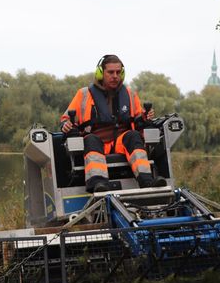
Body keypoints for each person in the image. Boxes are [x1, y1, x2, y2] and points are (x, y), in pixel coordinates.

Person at [60, 54, 160, 193]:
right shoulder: (83, 94)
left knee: (133, 136)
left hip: (121, 143)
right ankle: (99, 185)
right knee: (91, 140)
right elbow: (65, 119)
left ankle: (147, 182)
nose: (115, 76)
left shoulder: (130, 94)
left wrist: (144, 116)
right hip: (96, 141)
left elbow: (138, 120)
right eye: (110, 72)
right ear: (101, 73)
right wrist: (66, 124)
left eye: (118, 72)